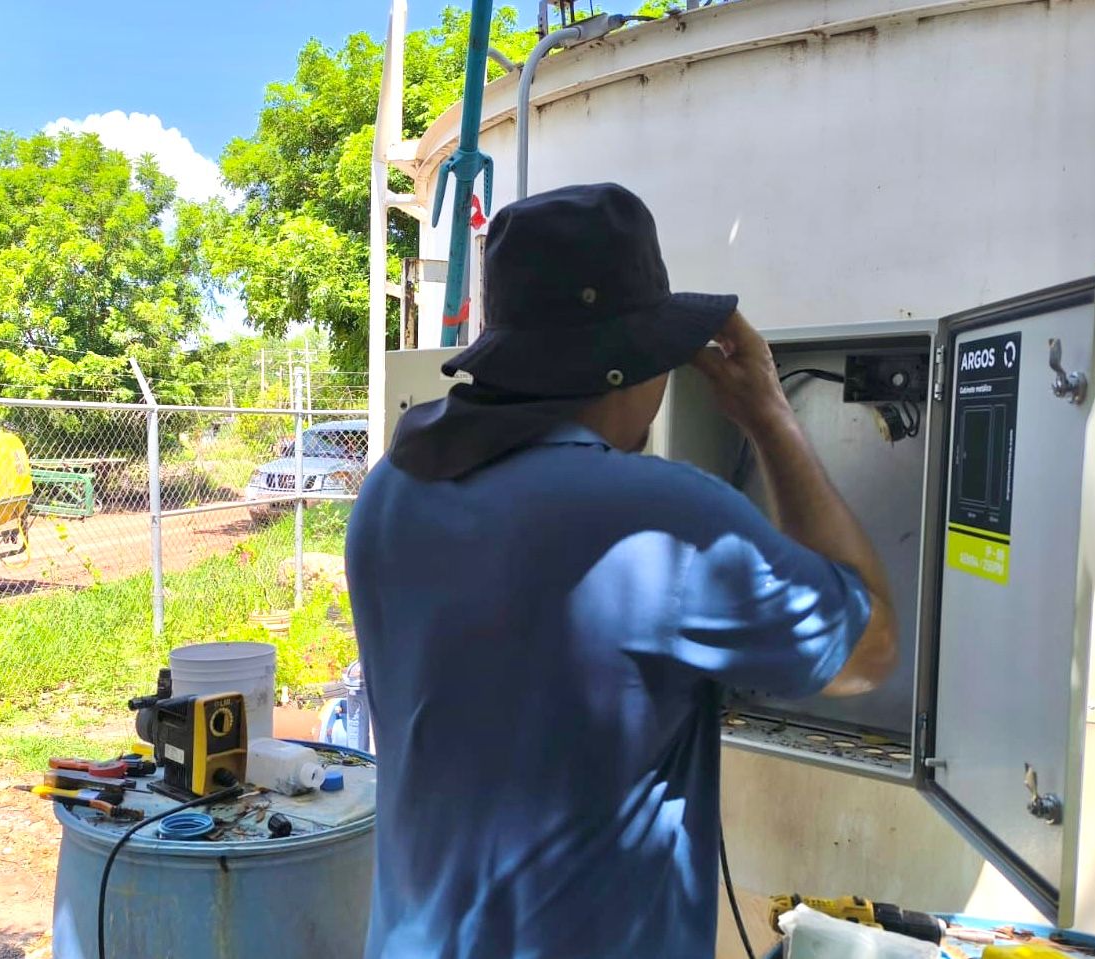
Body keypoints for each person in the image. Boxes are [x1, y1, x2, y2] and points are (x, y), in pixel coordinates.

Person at [345, 182, 897, 959]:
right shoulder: (666, 521)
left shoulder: (390, 491)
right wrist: (768, 414)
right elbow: (867, 650)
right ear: (624, 366)